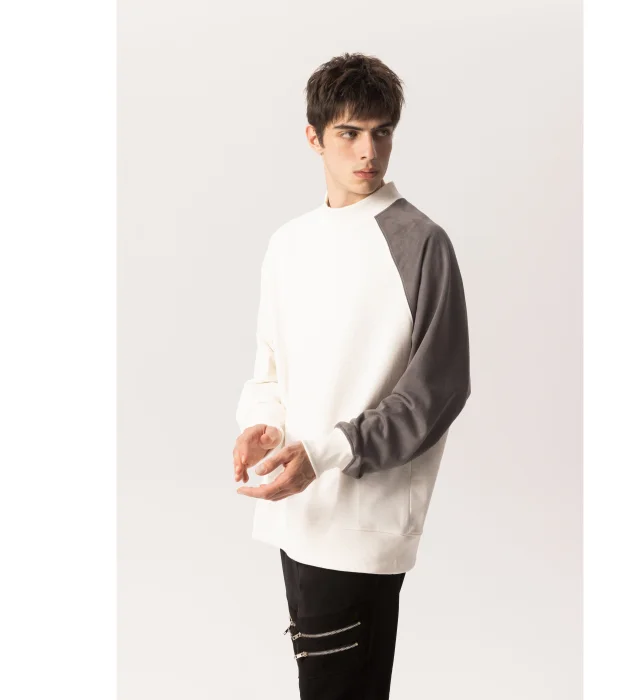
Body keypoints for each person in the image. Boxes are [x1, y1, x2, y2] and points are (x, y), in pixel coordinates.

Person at [232, 52, 471, 699]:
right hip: (294, 510)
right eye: (349, 133)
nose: (369, 151)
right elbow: (271, 364)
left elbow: (438, 390)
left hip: (366, 519)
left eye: (382, 132)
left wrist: (326, 452)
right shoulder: (289, 242)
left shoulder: (420, 241)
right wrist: (262, 424)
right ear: (313, 137)